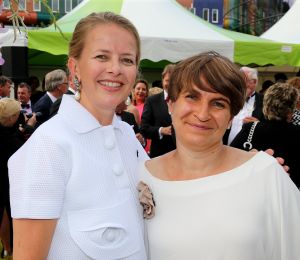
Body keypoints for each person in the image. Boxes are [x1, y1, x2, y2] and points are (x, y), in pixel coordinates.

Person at [9, 12, 148, 260]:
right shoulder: (48, 146)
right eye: (101, 56)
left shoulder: (127, 136)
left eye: (127, 60)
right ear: (74, 68)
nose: (115, 69)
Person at [138, 52, 300, 260]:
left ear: (231, 117)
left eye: (218, 103)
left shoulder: (266, 173)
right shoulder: (142, 174)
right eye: (192, 97)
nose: (203, 114)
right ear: (171, 104)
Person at [231, 83, 300, 188]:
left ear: (266, 105)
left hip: (254, 192)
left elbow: (231, 159)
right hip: (290, 196)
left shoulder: (251, 129)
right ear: (291, 110)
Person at [0, 98, 36, 257]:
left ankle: (8, 248)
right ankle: (13, 248)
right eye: (16, 115)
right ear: (10, 118)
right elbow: (21, 151)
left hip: (7, 181)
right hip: (8, 183)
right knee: (13, 216)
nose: (19, 117)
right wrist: (29, 128)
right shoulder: (9, 139)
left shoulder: (8, 131)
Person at [141, 64, 176, 158]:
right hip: (159, 154)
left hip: (182, 156)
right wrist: (161, 130)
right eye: (168, 81)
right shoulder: (152, 101)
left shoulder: (184, 100)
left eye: (174, 81)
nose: (170, 84)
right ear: (162, 80)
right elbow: (144, 128)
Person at [224, 66, 264, 145]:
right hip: (226, 147)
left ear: (254, 82)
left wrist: (258, 125)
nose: (240, 84)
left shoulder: (264, 101)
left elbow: (271, 126)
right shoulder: (230, 98)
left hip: (250, 148)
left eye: (244, 81)